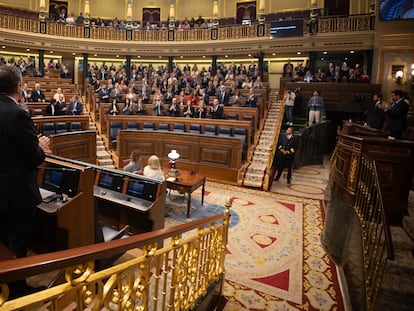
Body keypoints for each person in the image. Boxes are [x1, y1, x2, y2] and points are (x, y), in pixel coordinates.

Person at [0, 65, 51, 296]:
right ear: (19, 87)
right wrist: (40, 147)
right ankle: (17, 290)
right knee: (17, 242)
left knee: (1, 241)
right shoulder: (18, 114)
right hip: (16, 193)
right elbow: (33, 157)